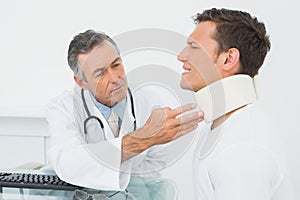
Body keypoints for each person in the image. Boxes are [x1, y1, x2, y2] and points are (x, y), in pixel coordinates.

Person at [46, 30, 203, 192]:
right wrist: (144, 138)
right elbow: (69, 163)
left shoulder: (149, 101)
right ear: (81, 82)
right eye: (100, 73)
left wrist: (109, 175)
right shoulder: (63, 108)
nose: (115, 78)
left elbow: (155, 163)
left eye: (116, 65)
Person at [177, 8, 294, 199]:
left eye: (194, 47)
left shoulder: (241, 148)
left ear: (229, 59)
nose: (181, 56)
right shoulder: (223, 128)